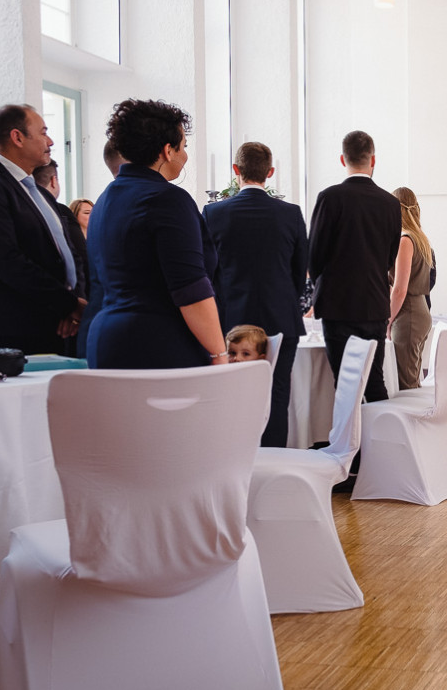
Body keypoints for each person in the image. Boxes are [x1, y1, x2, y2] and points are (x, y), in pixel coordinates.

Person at [86, 98, 227, 369]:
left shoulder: (105, 199)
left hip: (106, 338)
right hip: (158, 342)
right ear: (167, 151)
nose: (185, 156)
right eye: (183, 147)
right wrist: (219, 354)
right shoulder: (167, 199)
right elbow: (190, 288)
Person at [0, 104, 85, 354]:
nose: (51, 140)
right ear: (17, 137)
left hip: (60, 321)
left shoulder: (38, 192)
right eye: (43, 132)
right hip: (16, 326)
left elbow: (71, 254)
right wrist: (69, 303)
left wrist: (72, 308)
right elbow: (6, 261)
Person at [203, 141, 308, 446]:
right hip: (281, 318)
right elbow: (299, 270)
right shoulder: (290, 213)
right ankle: (274, 459)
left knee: (232, 395)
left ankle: (236, 461)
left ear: (236, 171)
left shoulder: (213, 213)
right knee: (276, 392)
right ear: (270, 173)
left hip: (231, 321)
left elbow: (208, 274)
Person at [308, 129, 402, 401]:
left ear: (342, 159)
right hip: (374, 304)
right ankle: (380, 442)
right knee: (374, 381)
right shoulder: (390, 203)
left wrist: (322, 284)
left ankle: (350, 444)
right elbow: (389, 257)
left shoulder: (330, 197)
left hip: (337, 306)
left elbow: (315, 256)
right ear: (373, 160)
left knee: (346, 383)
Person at [389, 186, 435, 390]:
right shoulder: (421, 238)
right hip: (420, 310)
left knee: (405, 383)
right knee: (412, 379)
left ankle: (413, 422)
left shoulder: (405, 240)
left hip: (407, 313)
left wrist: (387, 321)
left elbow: (400, 289)